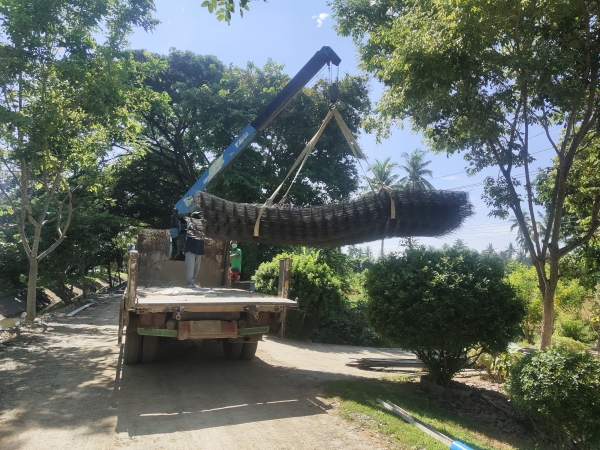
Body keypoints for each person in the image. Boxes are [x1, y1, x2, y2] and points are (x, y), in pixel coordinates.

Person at [184, 212, 205, 288]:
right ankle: (189, 283)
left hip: (198, 250)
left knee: (196, 268)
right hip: (191, 249)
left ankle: (192, 282)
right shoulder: (191, 225)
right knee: (191, 268)